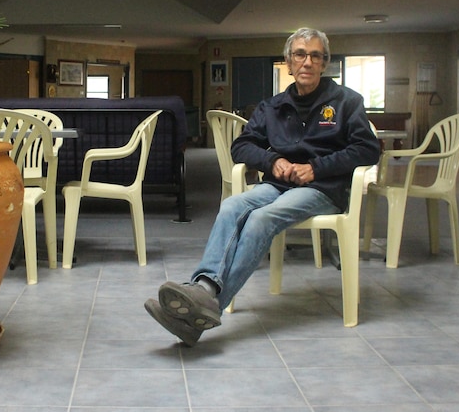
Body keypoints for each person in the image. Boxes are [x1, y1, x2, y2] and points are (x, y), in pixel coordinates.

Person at [145, 27, 380, 346]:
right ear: (288, 61)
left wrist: (316, 167)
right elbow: (241, 146)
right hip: (278, 184)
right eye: (300, 54)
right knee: (231, 205)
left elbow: (368, 148)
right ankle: (203, 290)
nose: (307, 62)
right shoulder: (273, 106)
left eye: (315, 55)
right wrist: (272, 162)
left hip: (322, 189)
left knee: (261, 219)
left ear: (325, 63)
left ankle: (203, 306)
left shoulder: (347, 102)